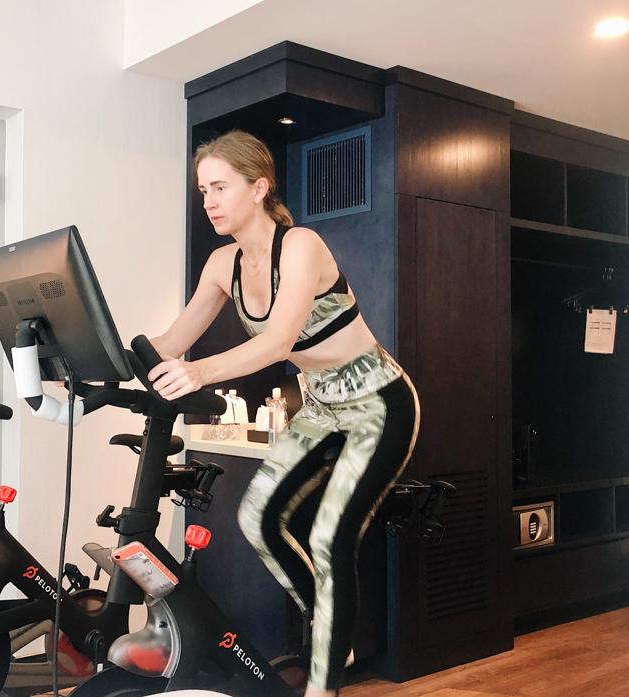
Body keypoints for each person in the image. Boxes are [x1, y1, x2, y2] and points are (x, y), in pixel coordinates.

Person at [148, 130, 420, 697]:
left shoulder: (301, 245)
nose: (210, 202)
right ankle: (330, 623)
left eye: (220, 187)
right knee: (257, 519)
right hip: (321, 404)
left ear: (259, 187)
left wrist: (199, 373)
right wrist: (86, 363)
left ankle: (324, 685)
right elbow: (170, 341)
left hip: (378, 403)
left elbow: (277, 342)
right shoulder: (223, 264)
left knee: (329, 537)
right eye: (203, 191)